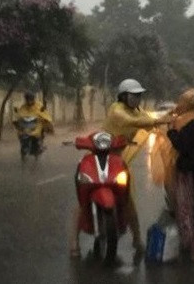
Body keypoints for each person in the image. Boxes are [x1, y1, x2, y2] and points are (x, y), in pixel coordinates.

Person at [69, 79, 172, 257]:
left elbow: (145, 118)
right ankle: (74, 241)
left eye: (139, 95)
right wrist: (161, 119)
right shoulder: (117, 110)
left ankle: (137, 239)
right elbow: (136, 120)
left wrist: (167, 117)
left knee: (128, 198)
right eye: (134, 95)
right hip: (97, 157)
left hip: (118, 161)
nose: (137, 99)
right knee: (83, 196)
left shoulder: (137, 111)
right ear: (124, 96)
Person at [166, 88, 194, 263]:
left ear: (187, 105)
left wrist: (171, 132)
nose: (178, 105)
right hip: (191, 171)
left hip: (191, 173)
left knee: (189, 209)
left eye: (181, 102)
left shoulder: (193, 122)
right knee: (189, 209)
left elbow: (182, 145)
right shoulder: (191, 120)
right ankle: (189, 243)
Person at [13, 91, 53, 156]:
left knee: (42, 129)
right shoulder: (24, 106)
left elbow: (43, 112)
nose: (29, 101)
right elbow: (20, 112)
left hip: (37, 123)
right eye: (27, 99)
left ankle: (40, 145)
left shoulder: (39, 105)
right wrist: (17, 117)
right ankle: (24, 146)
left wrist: (45, 118)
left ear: (33, 99)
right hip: (27, 123)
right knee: (20, 132)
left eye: (30, 99)